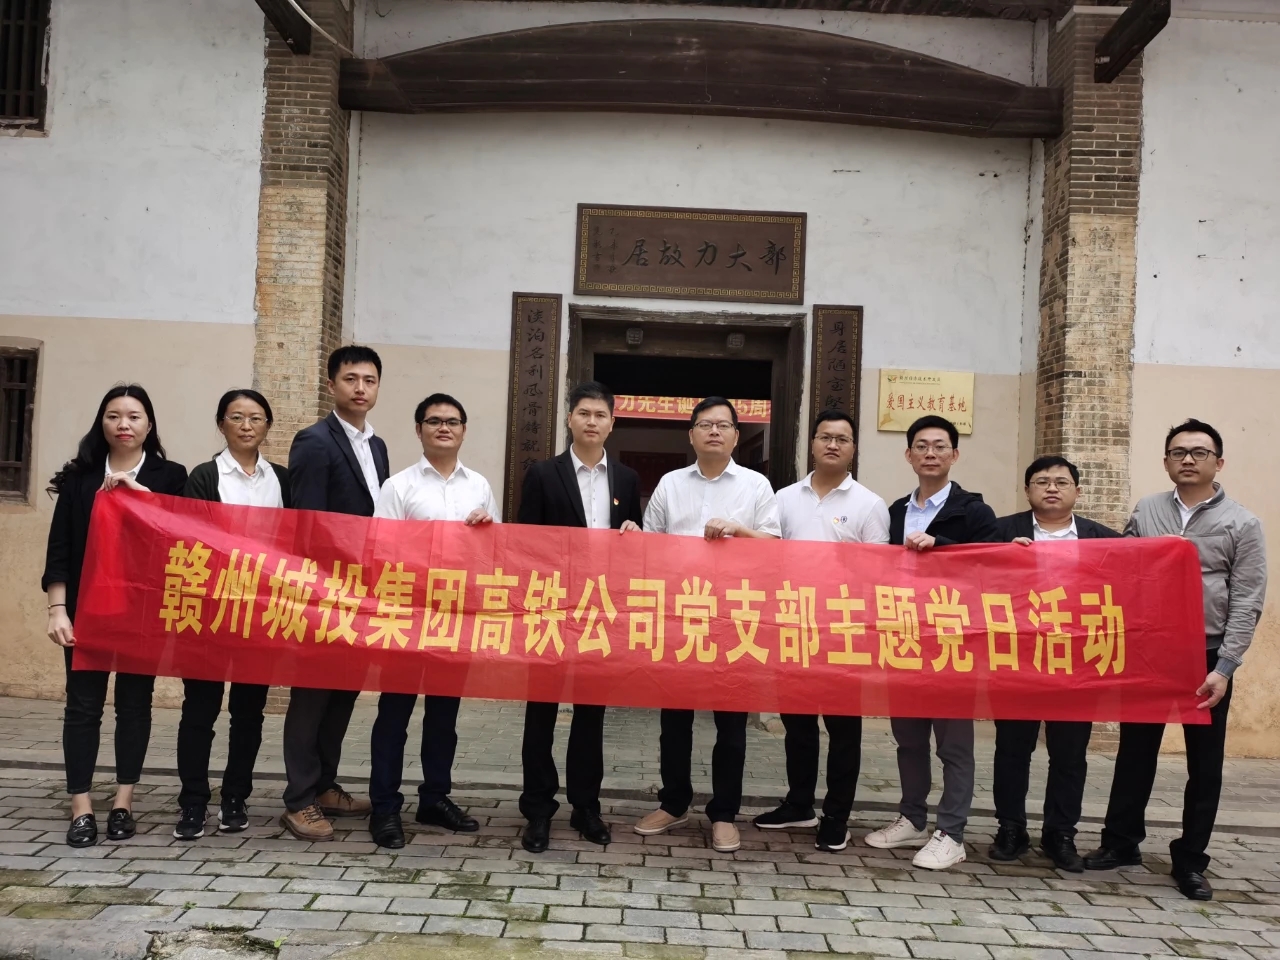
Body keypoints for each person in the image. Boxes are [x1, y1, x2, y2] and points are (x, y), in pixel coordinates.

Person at [1084, 419, 1266, 901]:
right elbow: (1121, 566)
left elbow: (1247, 599)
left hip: (1206, 654)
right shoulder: (1147, 509)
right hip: (1151, 649)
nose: (1188, 459)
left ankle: (1190, 860)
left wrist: (1225, 667)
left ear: (1218, 462)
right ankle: (1121, 843)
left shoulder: (1242, 523)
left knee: (1204, 764)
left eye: (1199, 452)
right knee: (1134, 751)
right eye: (1178, 452)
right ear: (1166, 461)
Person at [43, 384, 188, 847]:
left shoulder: (170, 476)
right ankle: (81, 806)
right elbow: (61, 548)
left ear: (149, 424)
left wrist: (138, 493)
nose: (123, 424)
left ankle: (124, 801)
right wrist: (58, 610)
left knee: (134, 704)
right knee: (82, 707)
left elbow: (180, 535)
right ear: (101, 422)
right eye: (113, 415)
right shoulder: (81, 477)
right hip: (87, 609)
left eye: (133, 416)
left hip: (142, 611)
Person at [634, 396, 781, 854]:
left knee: (731, 723)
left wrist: (738, 530)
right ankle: (674, 802)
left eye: (723, 425)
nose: (714, 431)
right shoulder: (670, 484)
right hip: (680, 616)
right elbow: (650, 547)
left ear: (737, 435)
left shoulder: (756, 485)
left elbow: (776, 546)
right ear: (691, 434)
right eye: (705, 424)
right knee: (674, 720)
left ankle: (724, 813)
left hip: (736, 618)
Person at [367, 393, 500, 849]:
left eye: (453, 421)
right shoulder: (398, 486)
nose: (444, 427)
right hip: (406, 617)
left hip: (455, 618)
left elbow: (493, 555)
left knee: (444, 716)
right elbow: (381, 550)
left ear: (463, 430)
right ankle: (384, 808)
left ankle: (435, 798)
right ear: (419, 429)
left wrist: (487, 530)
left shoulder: (479, 486)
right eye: (434, 421)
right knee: (394, 715)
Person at [865, 414, 997, 870]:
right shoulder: (895, 511)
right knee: (908, 738)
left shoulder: (974, 512)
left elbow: (992, 567)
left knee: (953, 743)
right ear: (909, 455)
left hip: (954, 641)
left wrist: (941, 545)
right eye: (921, 446)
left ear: (954, 455)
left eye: (940, 446)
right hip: (905, 636)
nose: (930, 453)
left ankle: (952, 833)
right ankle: (913, 818)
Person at [516, 381, 643, 853]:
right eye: (584, 413)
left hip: (599, 610)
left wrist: (634, 531)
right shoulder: (542, 474)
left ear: (612, 423)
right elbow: (525, 544)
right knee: (541, 713)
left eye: (600, 415)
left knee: (591, 714)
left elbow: (634, 545)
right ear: (570, 419)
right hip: (550, 607)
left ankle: (586, 806)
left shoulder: (626, 479)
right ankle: (537, 809)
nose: (592, 421)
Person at [754, 410, 889, 853]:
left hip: (844, 633)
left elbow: (877, 574)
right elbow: (767, 557)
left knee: (843, 730)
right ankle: (799, 804)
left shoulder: (869, 504)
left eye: (842, 439)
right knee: (798, 725)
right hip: (793, 626)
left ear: (853, 449)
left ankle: (836, 816)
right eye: (825, 437)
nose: (833, 445)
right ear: (811, 444)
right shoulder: (783, 498)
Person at [988, 455, 1120, 871]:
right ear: (1027, 490)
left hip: (1076, 663)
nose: (1051, 488)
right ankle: (1011, 828)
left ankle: (1060, 834)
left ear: (1077, 491)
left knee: (1070, 754)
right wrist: (1001, 557)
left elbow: (1131, 585)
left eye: (1061, 482)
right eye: (1041, 481)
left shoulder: (1104, 540)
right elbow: (969, 574)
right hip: (1017, 658)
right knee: (1012, 749)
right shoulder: (1001, 532)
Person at [280, 346, 389, 841]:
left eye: (369, 380)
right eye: (350, 379)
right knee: (311, 695)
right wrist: (321, 587)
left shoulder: (377, 446)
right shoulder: (314, 441)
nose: (360, 388)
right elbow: (307, 524)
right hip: (324, 591)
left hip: (364, 594)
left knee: (343, 691)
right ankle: (299, 798)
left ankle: (325, 785)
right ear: (332, 385)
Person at [172, 389, 290, 841]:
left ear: (267, 426)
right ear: (221, 424)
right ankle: (192, 801)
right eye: (236, 417)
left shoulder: (282, 479)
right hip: (209, 612)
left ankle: (236, 796)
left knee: (249, 712)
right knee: (199, 710)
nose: (246, 425)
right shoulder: (204, 476)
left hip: (260, 613)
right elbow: (193, 538)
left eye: (255, 418)